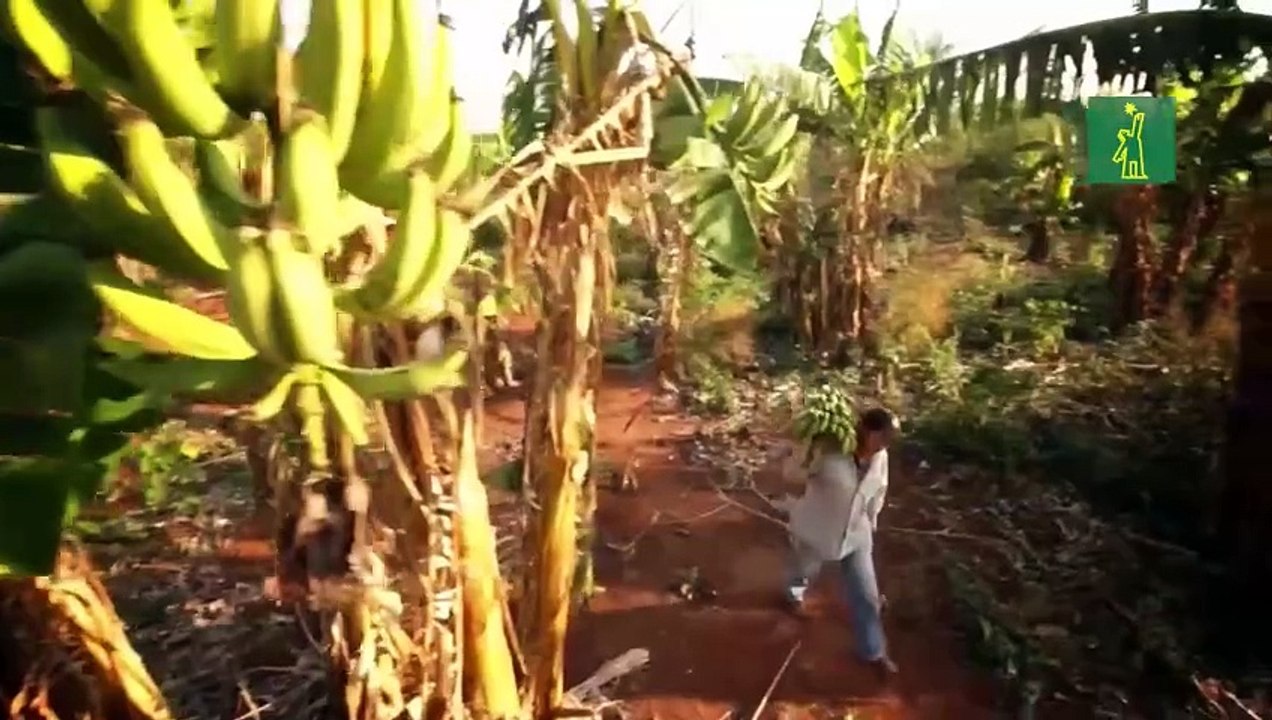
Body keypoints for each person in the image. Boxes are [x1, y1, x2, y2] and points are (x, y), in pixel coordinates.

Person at [784, 405, 900, 680]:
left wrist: (871, 521)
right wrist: (803, 451)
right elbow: (793, 475)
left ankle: (873, 651)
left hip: (857, 534)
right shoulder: (829, 452)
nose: (885, 445)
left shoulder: (880, 457)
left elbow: (879, 490)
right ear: (865, 430)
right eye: (882, 437)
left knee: (866, 595)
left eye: (889, 440)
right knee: (804, 568)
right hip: (818, 525)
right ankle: (792, 594)